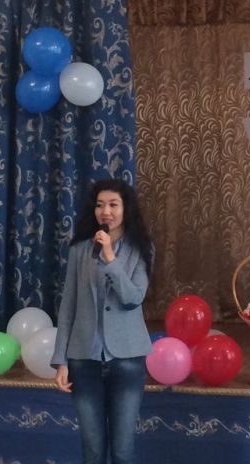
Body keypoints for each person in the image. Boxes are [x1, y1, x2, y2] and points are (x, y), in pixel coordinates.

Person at [51, 178, 153, 464]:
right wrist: (61, 360)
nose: (105, 211)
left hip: (127, 359)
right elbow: (68, 305)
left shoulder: (141, 249)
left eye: (113, 205)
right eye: (99, 205)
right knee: (92, 449)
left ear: (126, 209)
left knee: (122, 450)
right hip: (85, 359)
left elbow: (133, 298)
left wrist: (110, 257)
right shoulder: (80, 250)